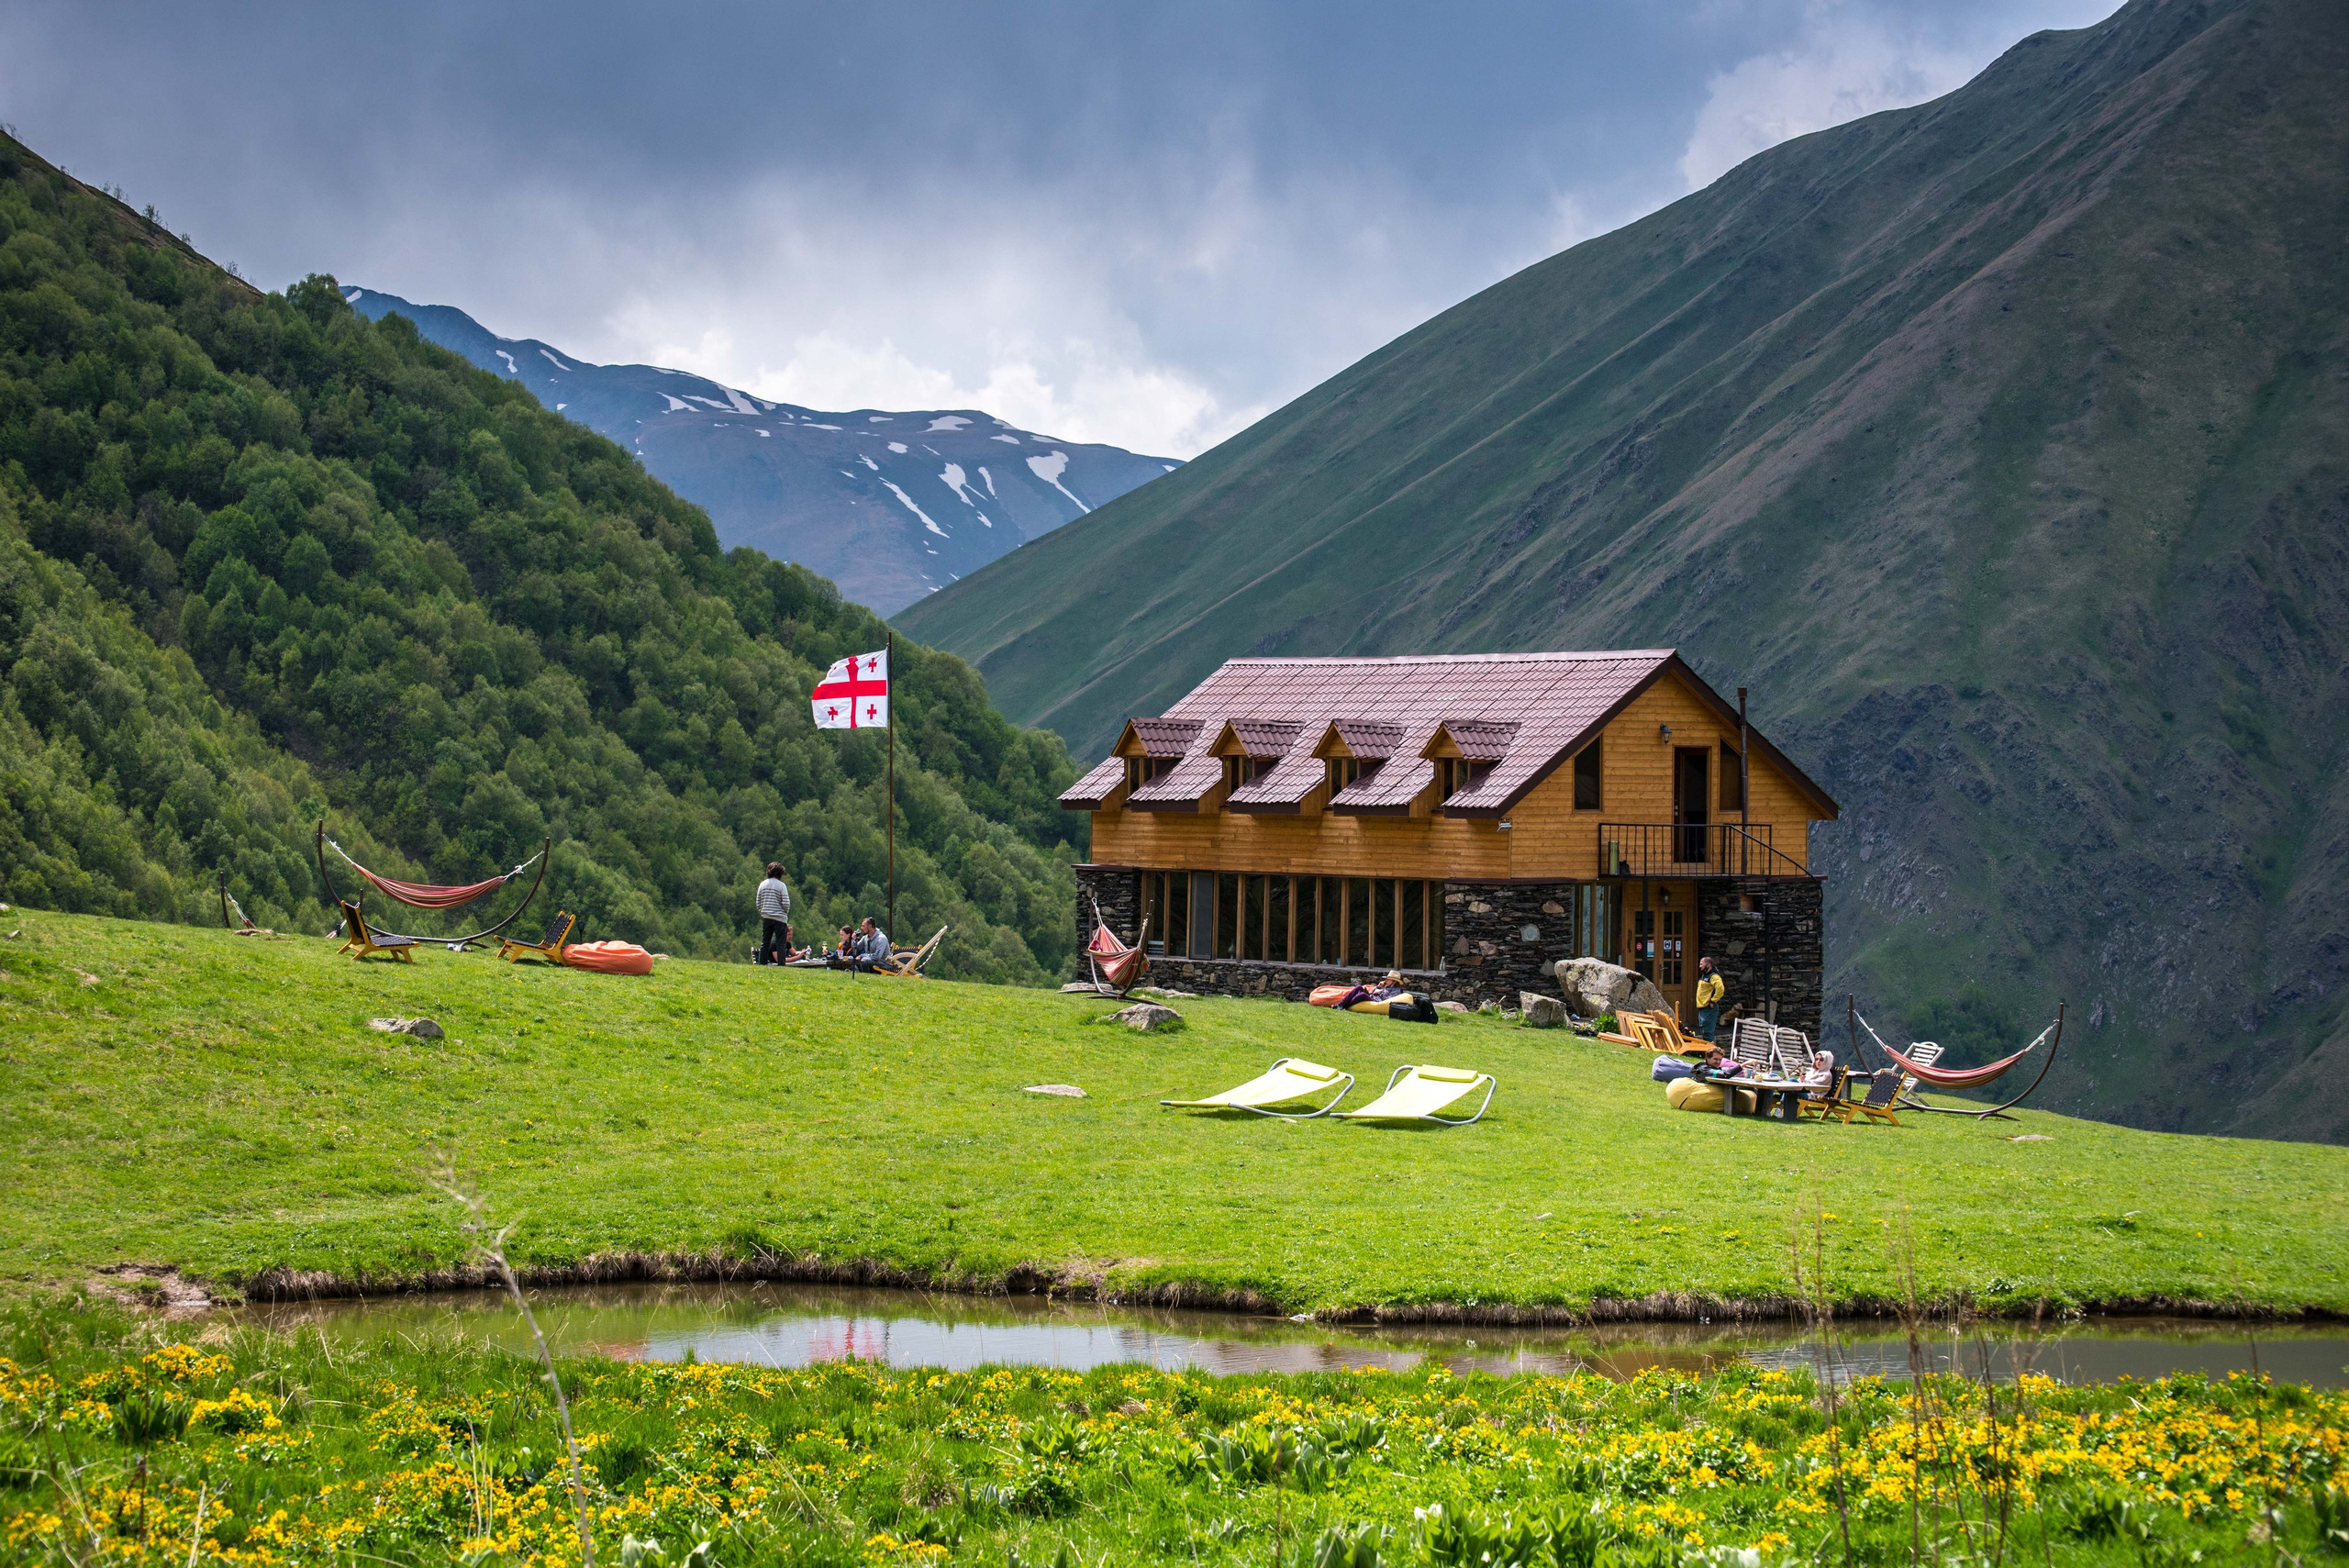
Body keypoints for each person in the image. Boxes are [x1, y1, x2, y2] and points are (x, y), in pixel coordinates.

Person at [753, 862, 793, 965]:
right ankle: (781, 965)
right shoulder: (781, 886)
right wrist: (784, 913)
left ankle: (762, 964)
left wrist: (762, 911)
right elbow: (786, 903)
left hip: (766, 917)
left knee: (765, 942)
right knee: (781, 944)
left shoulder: (763, 884)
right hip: (780, 918)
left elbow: (758, 901)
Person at [1693, 957, 1724, 1042]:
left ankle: (1712, 1049)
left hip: (1709, 1008)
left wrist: (1713, 1001)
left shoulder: (1714, 976)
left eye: (1701, 964)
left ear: (1708, 965)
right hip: (1702, 1008)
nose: (1700, 966)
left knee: (1708, 1033)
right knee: (1704, 1032)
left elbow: (1720, 989)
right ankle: (1708, 1049)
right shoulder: (1704, 975)